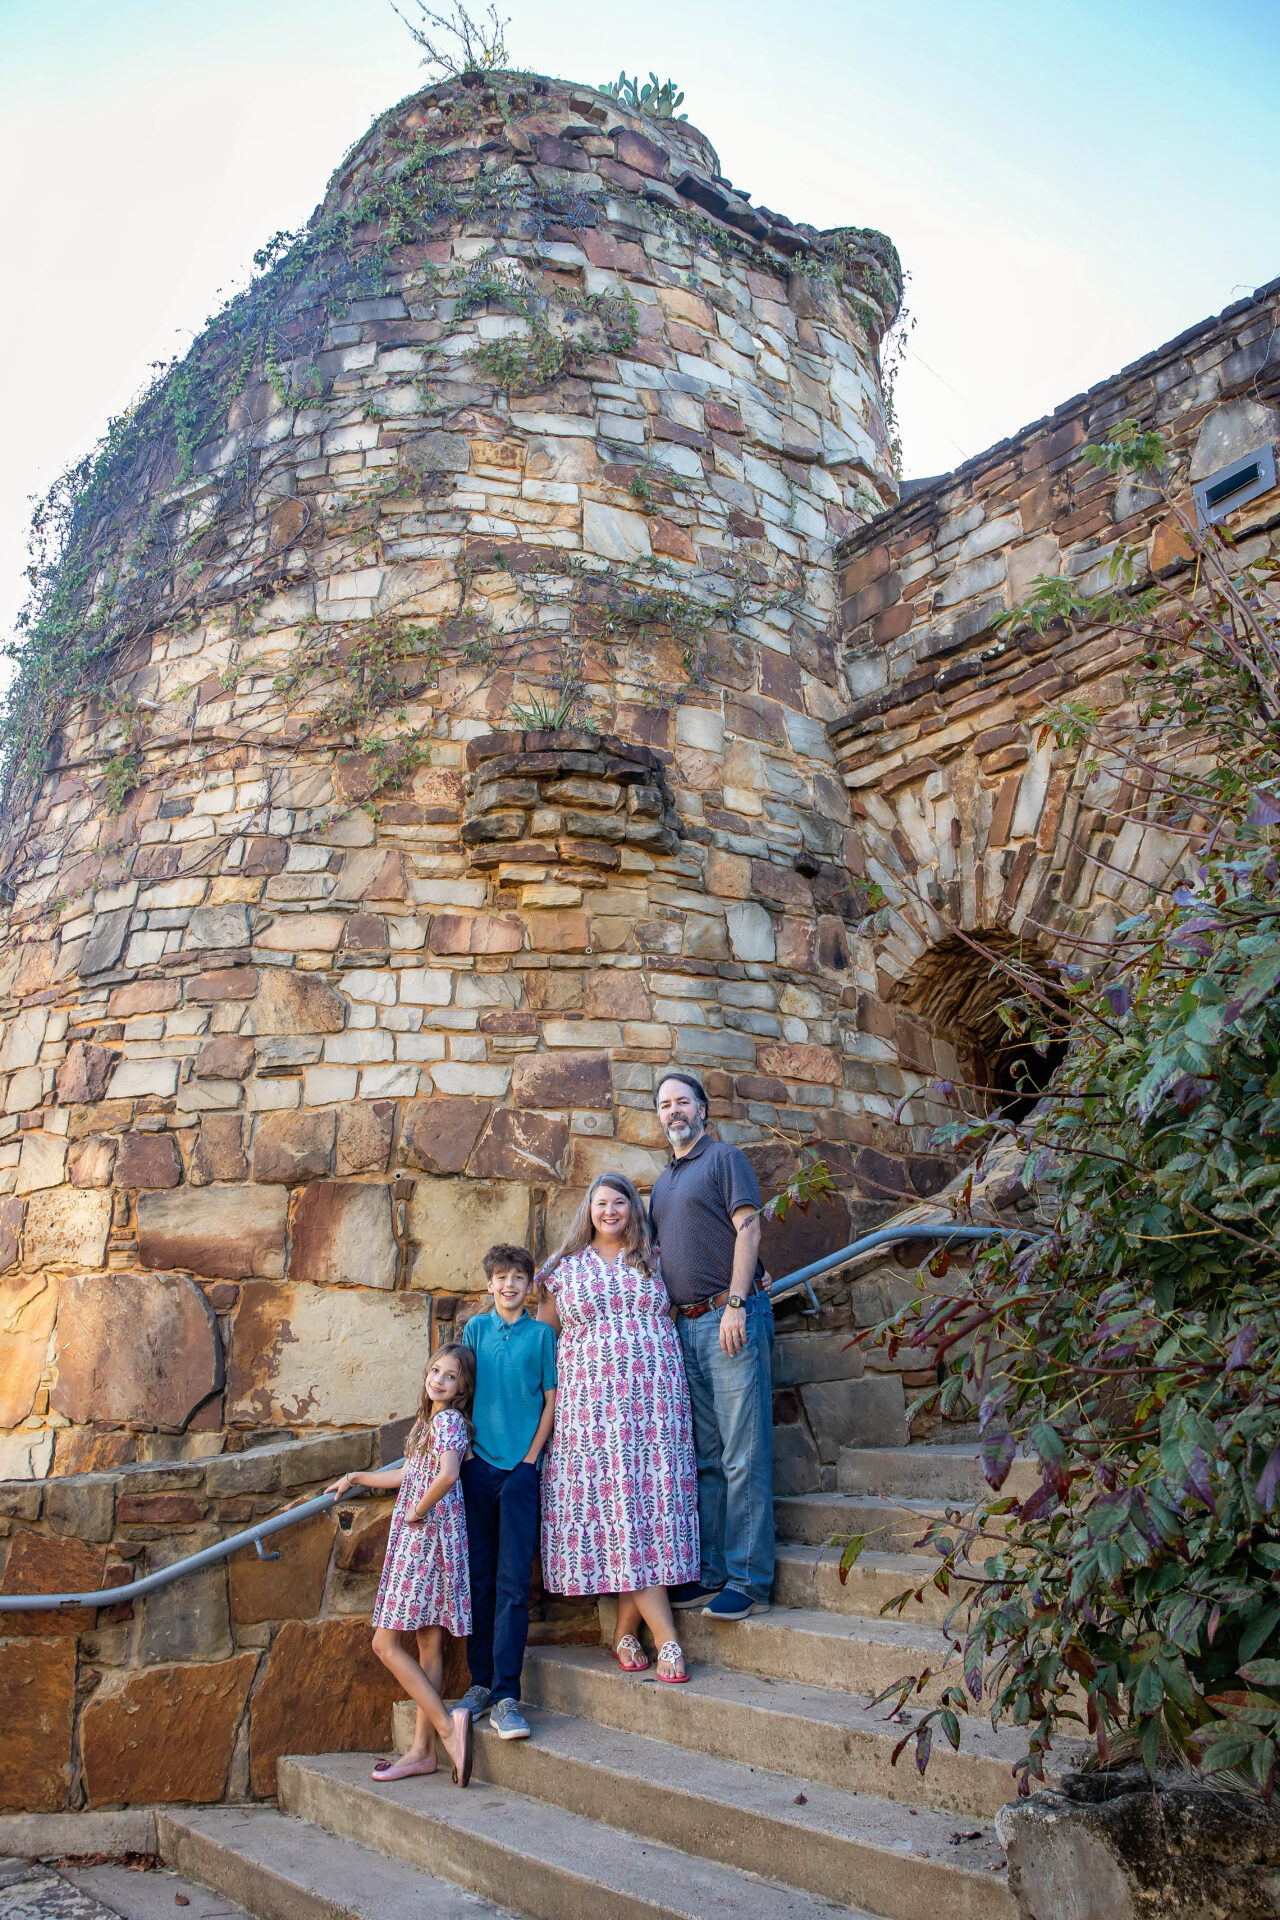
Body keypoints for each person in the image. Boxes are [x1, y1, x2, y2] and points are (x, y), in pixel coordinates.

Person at [538, 1172, 698, 1683]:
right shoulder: (563, 1268)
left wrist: (753, 1278)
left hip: (655, 1408)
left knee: (649, 1512)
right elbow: (542, 1341)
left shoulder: (657, 1258)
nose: (610, 1211)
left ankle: (627, 1632)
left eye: (619, 1202)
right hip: (592, 1413)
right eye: (601, 1203)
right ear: (588, 1209)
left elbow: (702, 1284)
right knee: (620, 1514)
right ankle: (666, 1639)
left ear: (633, 1208)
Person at [649, 1072, 774, 1620]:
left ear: (702, 1108)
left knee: (742, 1451)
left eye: (682, 1101)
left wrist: (739, 1303)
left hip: (729, 1318)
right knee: (705, 1458)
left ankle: (748, 1581)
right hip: (685, 1327)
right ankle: (713, 1572)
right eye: (664, 1105)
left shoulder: (725, 1160)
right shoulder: (661, 1183)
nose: (673, 1111)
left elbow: (748, 1230)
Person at [327, 1342, 476, 1787]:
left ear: (463, 1387)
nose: (439, 1380)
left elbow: (447, 1474)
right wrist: (356, 1477)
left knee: (384, 1645)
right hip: (428, 1538)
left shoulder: (448, 1421)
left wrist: (417, 1512)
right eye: (435, 1370)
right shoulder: (427, 1423)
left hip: (424, 1539)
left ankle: (449, 1729)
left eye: (451, 1376)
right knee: (428, 1643)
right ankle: (422, 1751)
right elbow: (408, 1475)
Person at [453, 1244, 558, 1743]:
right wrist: (468, 1452)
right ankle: (478, 1685)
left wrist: (530, 1461)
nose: (510, 1285)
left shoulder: (542, 1336)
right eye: (501, 1277)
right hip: (478, 1468)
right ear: (489, 1285)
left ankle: (507, 1696)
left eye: (519, 1277)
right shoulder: (474, 1331)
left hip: (520, 1471)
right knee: (480, 1581)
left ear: (528, 1284)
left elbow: (550, 1401)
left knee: (515, 1583)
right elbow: (461, 1392)